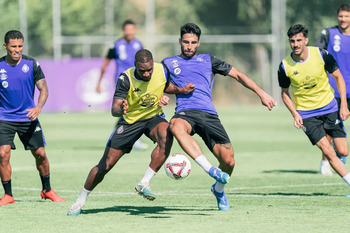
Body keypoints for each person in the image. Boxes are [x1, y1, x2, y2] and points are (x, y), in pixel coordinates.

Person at [161, 23, 276, 211]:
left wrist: (261, 93)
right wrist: (162, 95)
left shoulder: (208, 60)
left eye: (193, 42)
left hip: (208, 114)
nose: (189, 46)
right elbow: (158, 85)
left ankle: (218, 190)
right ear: (179, 41)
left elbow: (238, 75)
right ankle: (210, 170)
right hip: (185, 112)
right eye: (186, 42)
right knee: (175, 125)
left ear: (198, 43)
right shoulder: (168, 63)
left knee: (229, 161)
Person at [67, 49, 195, 216]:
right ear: (135, 65)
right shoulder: (125, 79)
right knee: (105, 165)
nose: (147, 73)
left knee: (167, 134)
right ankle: (80, 201)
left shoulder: (161, 69)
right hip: (130, 122)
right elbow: (114, 109)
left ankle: (144, 182)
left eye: (149, 69)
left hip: (153, 117)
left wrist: (180, 90)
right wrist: (121, 108)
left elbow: (165, 85)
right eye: (143, 71)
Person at [278, 24, 350, 196]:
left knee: (343, 151)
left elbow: (339, 77)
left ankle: (330, 139)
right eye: (292, 41)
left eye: (298, 40)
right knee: (328, 151)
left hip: (330, 108)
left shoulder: (321, 55)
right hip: (307, 115)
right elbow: (284, 94)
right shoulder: (284, 65)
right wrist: (295, 113)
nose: (295, 44)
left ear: (306, 40)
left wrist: (344, 105)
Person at [0, 30, 65, 205]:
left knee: (40, 154)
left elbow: (44, 88)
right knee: (2, 153)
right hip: (4, 118)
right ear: (5, 46)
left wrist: (38, 107)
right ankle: (8, 195)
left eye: (20, 46)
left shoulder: (32, 64)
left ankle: (47, 190)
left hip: (28, 117)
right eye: (13, 46)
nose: (17, 50)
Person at [96, 19, 147, 150]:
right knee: (127, 109)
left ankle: (118, 137)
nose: (129, 32)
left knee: (131, 110)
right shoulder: (116, 45)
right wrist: (99, 82)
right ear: (124, 31)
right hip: (122, 81)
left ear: (135, 30)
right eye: (127, 29)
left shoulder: (138, 44)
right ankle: (131, 139)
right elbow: (105, 64)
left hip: (137, 81)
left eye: (132, 29)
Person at [315, 3, 350, 176]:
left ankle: (340, 154)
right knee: (330, 128)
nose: (343, 19)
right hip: (333, 90)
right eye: (341, 16)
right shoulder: (329, 34)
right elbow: (315, 53)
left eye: (347, 16)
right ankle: (325, 161)